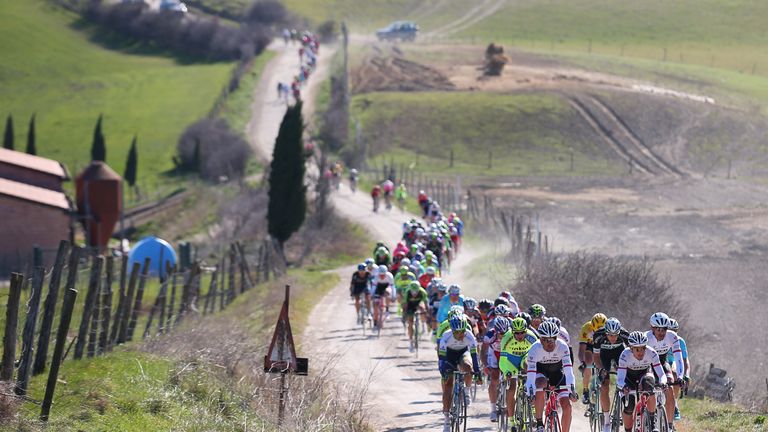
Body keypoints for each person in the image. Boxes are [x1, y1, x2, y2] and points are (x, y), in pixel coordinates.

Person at [526, 321, 577, 432]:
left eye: (552, 339)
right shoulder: (534, 349)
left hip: (557, 373)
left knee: (567, 406)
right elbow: (530, 374)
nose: (549, 343)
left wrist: (572, 389)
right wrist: (530, 391)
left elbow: (569, 371)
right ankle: (539, 423)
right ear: (540, 339)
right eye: (545, 339)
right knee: (540, 385)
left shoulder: (563, 346)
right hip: (541, 372)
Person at [617, 331, 668, 432]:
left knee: (649, 386)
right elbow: (620, 379)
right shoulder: (624, 355)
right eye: (637, 349)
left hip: (644, 374)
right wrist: (623, 387)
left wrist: (663, 383)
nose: (641, 352)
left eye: (643, 348)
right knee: (629, 406)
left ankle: (652, 422)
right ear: (631, 348)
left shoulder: (652, 353)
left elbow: (661, 374)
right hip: (629, 378)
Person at [438, 315, 482, 432]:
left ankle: (466, 391)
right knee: (448, 386)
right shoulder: (446, 336)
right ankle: (447, 419)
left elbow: (474, 356)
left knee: (468, 367)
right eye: (457, 332)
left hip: (463, 353)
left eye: (462, 331)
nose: (461, 334)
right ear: (452, 330)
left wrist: (477, 372)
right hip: (449, 356)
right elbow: (441, 358)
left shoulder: (469, 335)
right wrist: (443, 372)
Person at [645, 312, 684, 432]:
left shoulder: (672, 336)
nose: (662, 333)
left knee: (670, 388)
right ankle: (647, 417)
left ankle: (670, 426)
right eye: (659, 330)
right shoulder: (646, 337)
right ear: (652, 328)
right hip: (648, 364)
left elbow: (678, 357)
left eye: (664, 330)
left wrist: (681, 376)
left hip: (662, 362)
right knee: (647, 387)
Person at [499, 317, 539, 431]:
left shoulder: (532, 337)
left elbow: (538, 355)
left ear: (526, 331)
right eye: (517, 333)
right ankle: (511, 420)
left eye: (522, 332)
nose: (520, 335)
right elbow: (502, 360)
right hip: (511, 361)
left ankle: (533, 408)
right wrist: (506, 371)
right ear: (512, 332)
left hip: (525, 357)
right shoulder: (506, 337)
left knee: (529, 367)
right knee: (512, 387)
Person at [592, 317, 630, 432]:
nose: (613, 338)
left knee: (626, 380)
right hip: (604, 356)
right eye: (610, 335)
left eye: (615, 335)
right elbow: (596, 357)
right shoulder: (598, 336)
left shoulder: (625, 335)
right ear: (605, 332)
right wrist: (601, 369)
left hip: (620, 353)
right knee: (604, 384)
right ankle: (607, 421)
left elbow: (630, 354)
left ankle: (625, 406)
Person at [483, 316, 510, 422]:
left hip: (507, 355)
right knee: (494, 378)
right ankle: (493, 410)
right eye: (501, 334)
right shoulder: (490, 335)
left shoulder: (512, 334)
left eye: (505, 333)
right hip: (494, 354)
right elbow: (483, 352)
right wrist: (485, 365)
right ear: (496, 331)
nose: (503, 336)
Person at [579, 313, 607, 404]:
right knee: (588, 363)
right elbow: (581, 350)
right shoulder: (586, 328)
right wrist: (582, 362)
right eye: (596, 330)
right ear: (592, 326)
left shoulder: (608, 329)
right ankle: (585, 390)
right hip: (589, 346)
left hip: (601, 346)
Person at [668, 318, 690, 421]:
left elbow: (685, 362)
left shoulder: (680, 341)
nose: (672, 334)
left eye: (674, 331)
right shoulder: (661, 338)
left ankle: (674, 404)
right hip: (663, 360)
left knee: (675, 373)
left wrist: (686, 375)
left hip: (674, 361)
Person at [403, 281, 429, 352]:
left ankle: (423, 324)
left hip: (418, 304)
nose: (414, 293)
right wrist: (405, 313)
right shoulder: (407, 292)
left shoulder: (422, 292)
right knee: (410, 323)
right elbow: (405, 305)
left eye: (416, 291)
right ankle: (411, 342)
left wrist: (426, 312)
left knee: (423, 308)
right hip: (410, 305)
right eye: (413, 292)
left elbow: (426, 303)